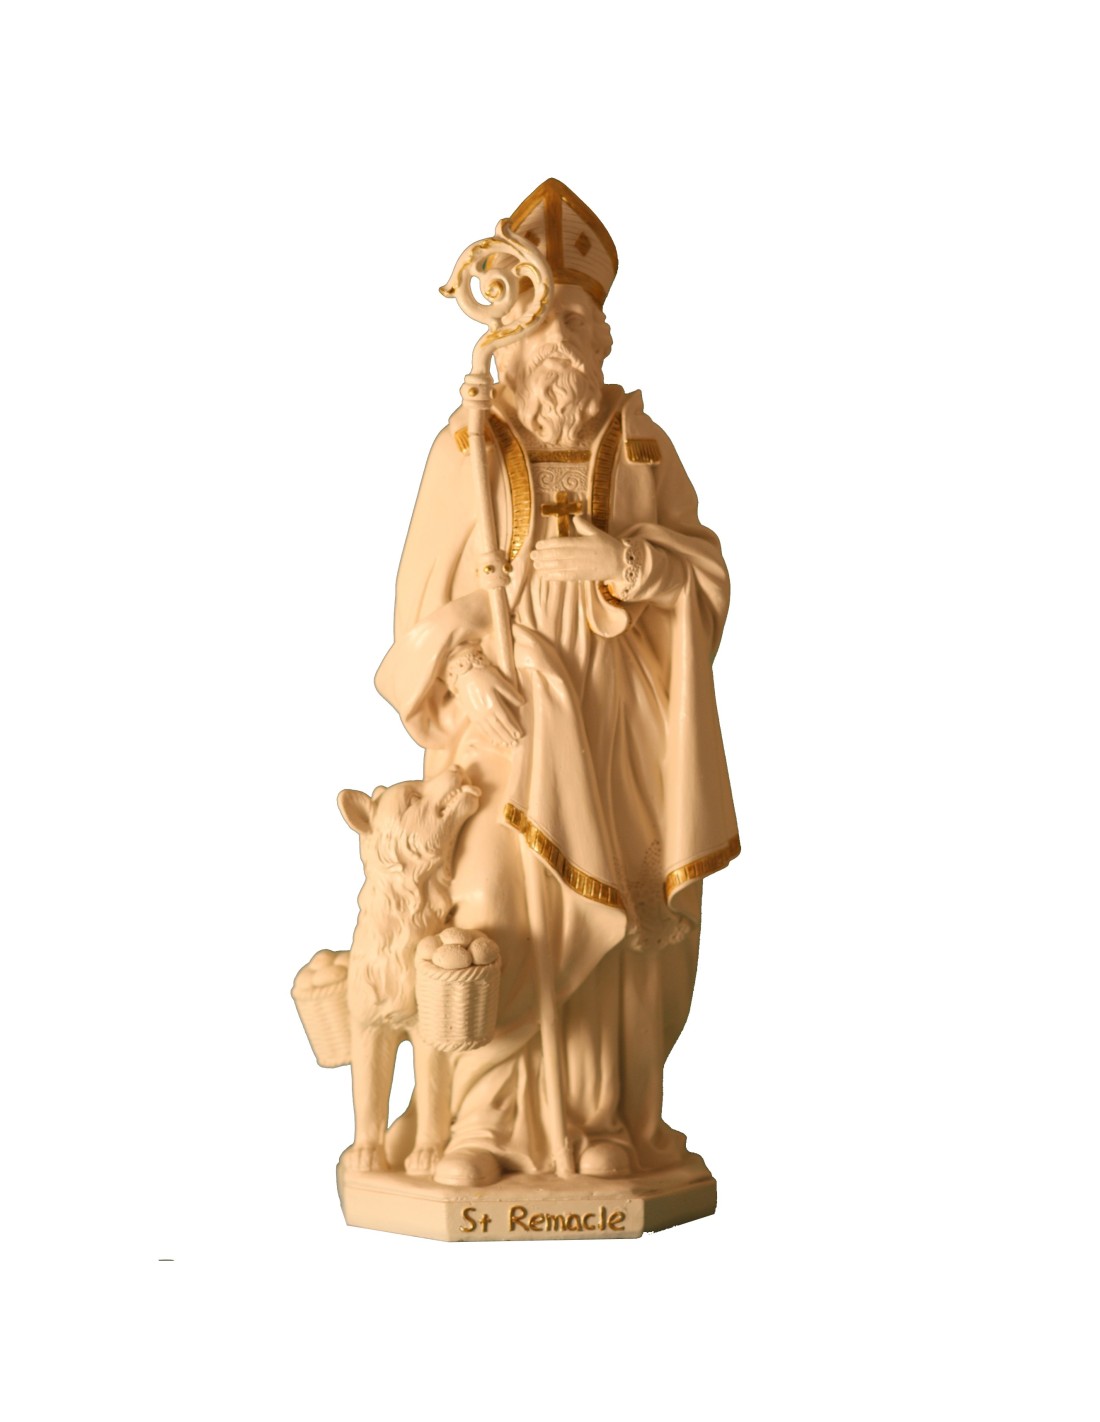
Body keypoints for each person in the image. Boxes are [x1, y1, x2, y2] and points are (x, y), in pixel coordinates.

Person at [375, 179, 739, 1186]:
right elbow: (418, 606)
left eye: (577, 321)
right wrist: (460, 667)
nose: (559, 345)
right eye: (541, 324)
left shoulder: (640, 446)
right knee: (498, 903)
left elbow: (705, 576)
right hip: (502, 721)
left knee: (612, 902)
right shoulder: (468, 449)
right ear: (508, 341)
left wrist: (630, 564)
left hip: (616, 712)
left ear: (604, 337)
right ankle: (482, 1126)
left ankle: (595, 1120)